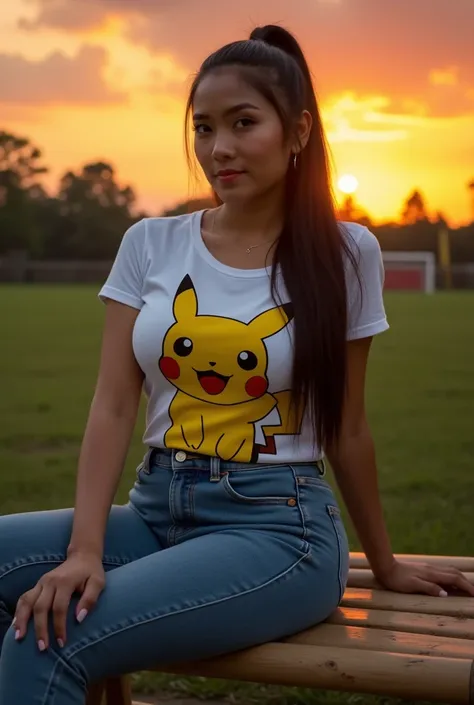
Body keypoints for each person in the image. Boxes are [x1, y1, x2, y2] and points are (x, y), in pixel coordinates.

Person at [1, 23, 473, 705]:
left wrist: (388, 562)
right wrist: (85, 547)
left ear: (299, 131)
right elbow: (112, 404)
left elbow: (347, 426)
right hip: (156, 507)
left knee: (46, 636)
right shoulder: (150, 243)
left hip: (279, 530)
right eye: (203, 128)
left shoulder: (346, 253)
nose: (218, 148)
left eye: (243, 123)